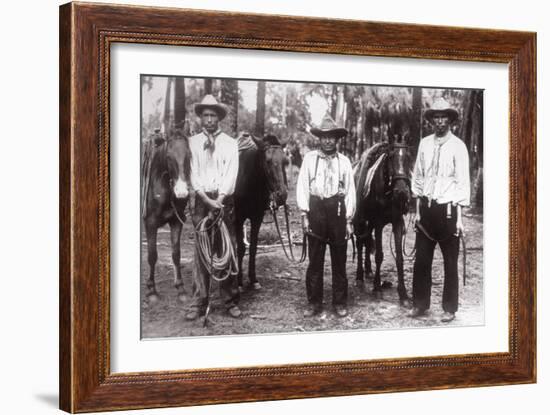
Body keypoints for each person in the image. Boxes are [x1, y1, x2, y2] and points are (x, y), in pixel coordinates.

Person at [409, 97, 470, 323]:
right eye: (436, 117)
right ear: (432, 120)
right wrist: (417, 210)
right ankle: (420, 304)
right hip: (426, 209)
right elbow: (418, 176)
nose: (440, 121)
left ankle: (449, 308)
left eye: (444, 117)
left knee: (450, 262)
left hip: (448, 212)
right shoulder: (424, 144)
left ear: (450, 120)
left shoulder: (458, 146)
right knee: (422, 260)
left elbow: (463, 182)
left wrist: (460, 220)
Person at [186, 94, 241, 321]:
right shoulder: (193, 143)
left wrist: (220, 199)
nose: (209, 119)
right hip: (202, 200)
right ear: (201, 118)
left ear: (219, 118)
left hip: (224, 200)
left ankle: (229, 300)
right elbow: (193, 174)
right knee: (202, 250)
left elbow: (231, 174)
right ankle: (199, 301)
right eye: (205, 115)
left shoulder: (230, 143)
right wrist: (207, 201)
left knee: (226, 250)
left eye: (213, 115)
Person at [296, 115, 356, 318]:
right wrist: (304, 215)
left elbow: (350, 192)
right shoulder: (310, 159)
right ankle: (314, 302)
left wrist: (348, 220)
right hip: (316, 212)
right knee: (315, 259)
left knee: (339, 260)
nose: (328, 140)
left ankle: (339, 302)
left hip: (338, 212)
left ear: (337, 139)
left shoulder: (344, 162)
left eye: (332, 137)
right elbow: (303, 187)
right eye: (324, 136)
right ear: (319, 138)